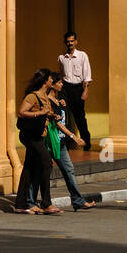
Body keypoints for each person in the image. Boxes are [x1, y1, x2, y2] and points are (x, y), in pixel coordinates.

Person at [14, 68, 62, 214]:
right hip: (30, 136)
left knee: (29, 168)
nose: (52, 80)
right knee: (46, 163)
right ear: (45, 81)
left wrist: (53, 115)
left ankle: (21, 204)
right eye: (50, 78)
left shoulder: (45, 96)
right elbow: (21, 112)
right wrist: (40, 113)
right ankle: (46, 203)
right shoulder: (33, 96)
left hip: (38, 135)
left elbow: (46, 112)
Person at [46, 72, 96, 211]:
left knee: (69, 170)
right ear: (53, 84)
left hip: (61, 142)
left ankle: (77, 200)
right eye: (60, 82)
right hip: (51, 142)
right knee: (42, 171)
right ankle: (32, 200)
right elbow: (57, 124)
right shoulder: (47, 102)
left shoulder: (60, 100)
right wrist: (74, 137)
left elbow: (64, 119)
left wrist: (62, 104)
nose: (62, 84)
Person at [57, 32, 92, 150]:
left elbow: (87, 74)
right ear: (65, 42)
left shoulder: (82, 56)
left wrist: (85, 90)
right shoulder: (61, 58)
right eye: (68, 41)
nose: (70, 43)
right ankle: (64, 141)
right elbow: (61, 75)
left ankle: (86, 141)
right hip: (65, 88)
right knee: (63, 114)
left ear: (76, 41)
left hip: (77, 88)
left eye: (72, 41)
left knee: (80, 117)